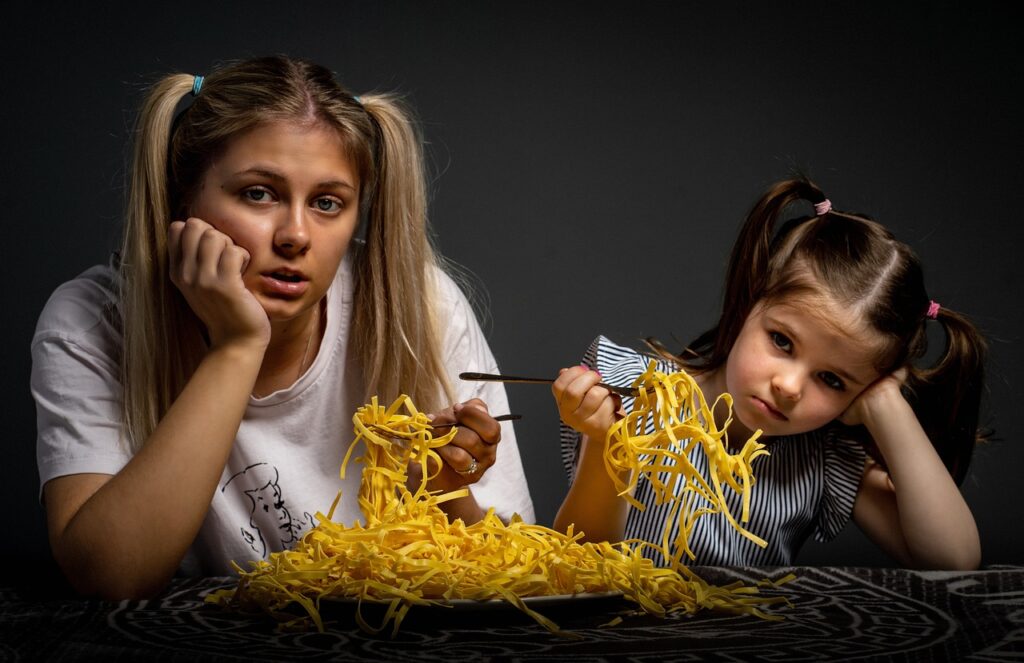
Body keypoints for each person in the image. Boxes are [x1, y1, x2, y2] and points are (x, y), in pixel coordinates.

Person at [30, 56, 535, 599]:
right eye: (258, 193)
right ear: (184, 197)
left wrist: (442, 493)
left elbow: (520, 577)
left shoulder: (424, 307)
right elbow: (110, 577)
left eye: (327, 203)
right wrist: (238, 345)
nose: (295, 235)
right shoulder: (90, 321)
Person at [551, 178, 986, 570]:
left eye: (832, 380)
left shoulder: (821, 456)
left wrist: (885, 403)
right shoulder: (635, 394)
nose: (790, 387)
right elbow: (580, 562)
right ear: (749, 300)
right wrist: (606, 441)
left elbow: (953, 559)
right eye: (782, 341)